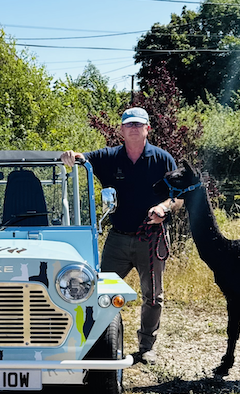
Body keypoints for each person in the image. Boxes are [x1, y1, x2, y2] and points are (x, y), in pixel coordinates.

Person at [61, 107, 183, 366]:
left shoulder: (163, 159)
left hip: (152, 238)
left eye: (139, 124)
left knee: (153, 296)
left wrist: (164, 208)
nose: (134, 128)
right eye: (129, 125)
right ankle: (95, 342)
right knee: (96, 291)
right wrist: (69, 155)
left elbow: (178, 197)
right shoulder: (109, 157)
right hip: (117, 238)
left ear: (148, 128)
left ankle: (146, 346)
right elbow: (81, 159)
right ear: (121, 130)